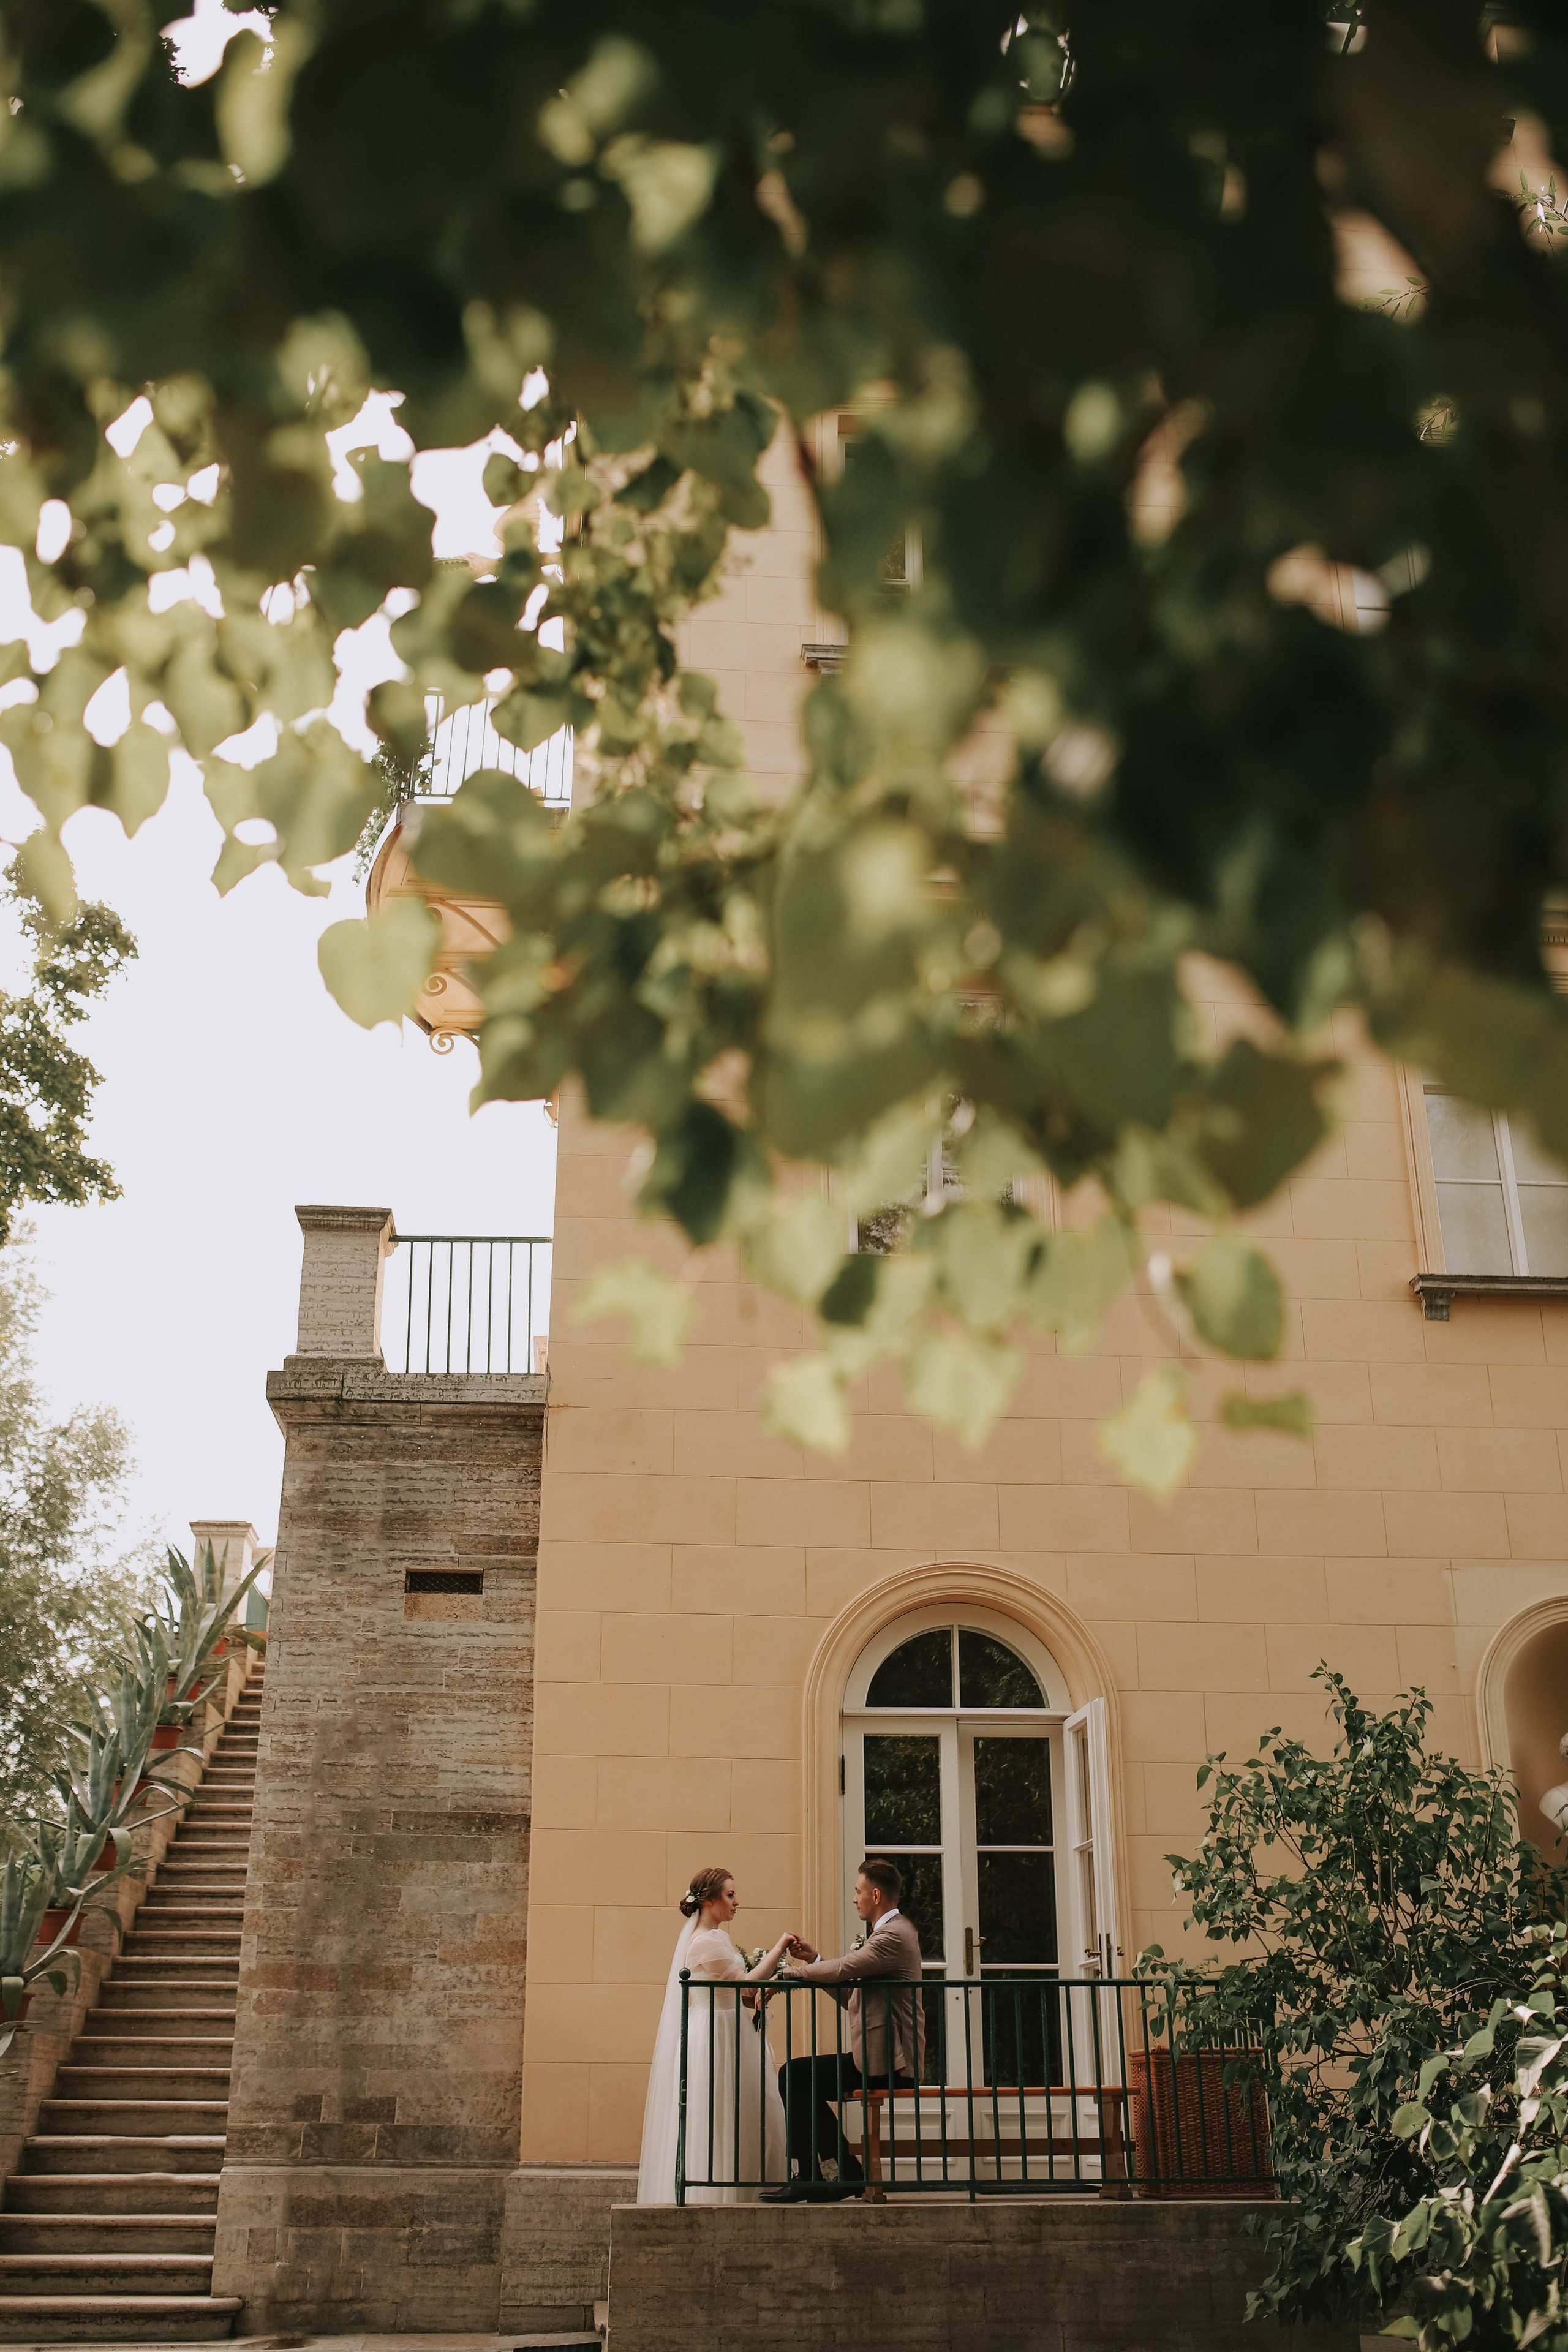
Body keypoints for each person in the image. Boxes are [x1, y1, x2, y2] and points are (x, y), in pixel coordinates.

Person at [763, 1855, 925, 2202]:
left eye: (858, 1891)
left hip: (893, 2063)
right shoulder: (889, 1933)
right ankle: (838, 2174)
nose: (855, 1898)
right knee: (798, 2078)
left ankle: (825, 2176)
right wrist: (814, 1961)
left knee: (795, 2075)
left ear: (875, 1895)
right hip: (880, 2057)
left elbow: (845, 1968)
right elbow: (851, 1994)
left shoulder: (893, 1935)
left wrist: (788, 1973)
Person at [636, 1865, 791, 2204]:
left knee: (743, 2109)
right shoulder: (706, 1941)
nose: (736, 1902)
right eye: (730, 1895)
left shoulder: (717, 1937)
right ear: (709, 1900)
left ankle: (742, 2186)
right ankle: (719, 2194)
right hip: (717, 2034)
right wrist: (780, 1948)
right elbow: (745, 1984)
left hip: (729, 2026)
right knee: (721, 2113)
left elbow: (740, 1992)